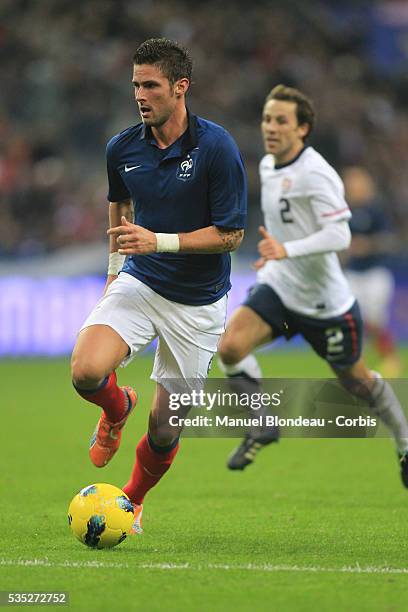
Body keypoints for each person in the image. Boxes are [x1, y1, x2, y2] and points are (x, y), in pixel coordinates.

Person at [71, 38, 247, 533]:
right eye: (135, 85)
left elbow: (231, 234)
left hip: (198, 304)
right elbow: (119, 206)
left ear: (180, 87)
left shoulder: (217, 148)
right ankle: (116, 406)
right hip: (141, 283)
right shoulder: (122, 148)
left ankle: (131, 500)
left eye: (150, 85)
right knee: (86, 371)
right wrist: (112, 271)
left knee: (165, 429)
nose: (140, 95)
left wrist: (160, 241)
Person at [218, 84, 408, 485]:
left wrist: (286, 249)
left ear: (302, 129)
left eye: (281, 121)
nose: (271, 127)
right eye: (267, 119)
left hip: (326, 304)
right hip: (281, 287)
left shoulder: (317, 173)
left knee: (356, 381)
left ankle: (404, 443)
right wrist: (276, 255)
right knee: (230, 347)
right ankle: (263, 423)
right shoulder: (270, 166)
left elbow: (339, 236)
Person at [342, 166, 402, 378]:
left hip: (375, 272)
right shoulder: (343, 211)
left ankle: (390, 357)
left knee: (374, 320)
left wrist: (367, 244)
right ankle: (359, 363)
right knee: (353, 320)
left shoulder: (376, 209)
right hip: (353, 273)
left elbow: (389, 240)